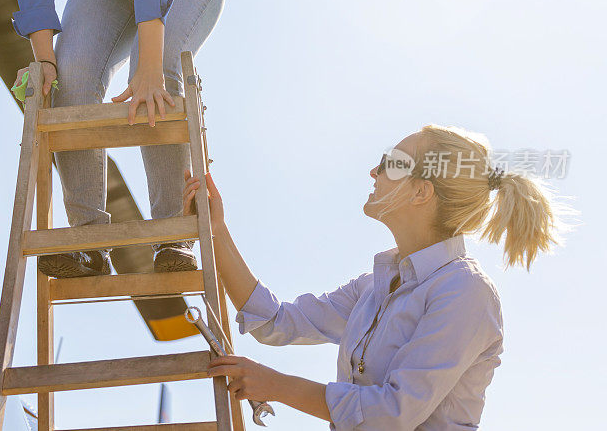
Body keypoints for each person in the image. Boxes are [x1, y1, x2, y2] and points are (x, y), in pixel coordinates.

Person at [184, 124, 576, 430]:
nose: (374, 170)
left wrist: (277, 385)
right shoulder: (373, 286)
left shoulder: (466, 292)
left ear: (422, 191)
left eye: (392, 163)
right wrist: (216, 230)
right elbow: (275, 322)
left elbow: (390, 416)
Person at [0, 0, 225, 277]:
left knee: (159, 69)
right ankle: (89, 242)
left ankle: (174, 235)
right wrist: (45, 59)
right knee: (71, 79)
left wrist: (148, 66)